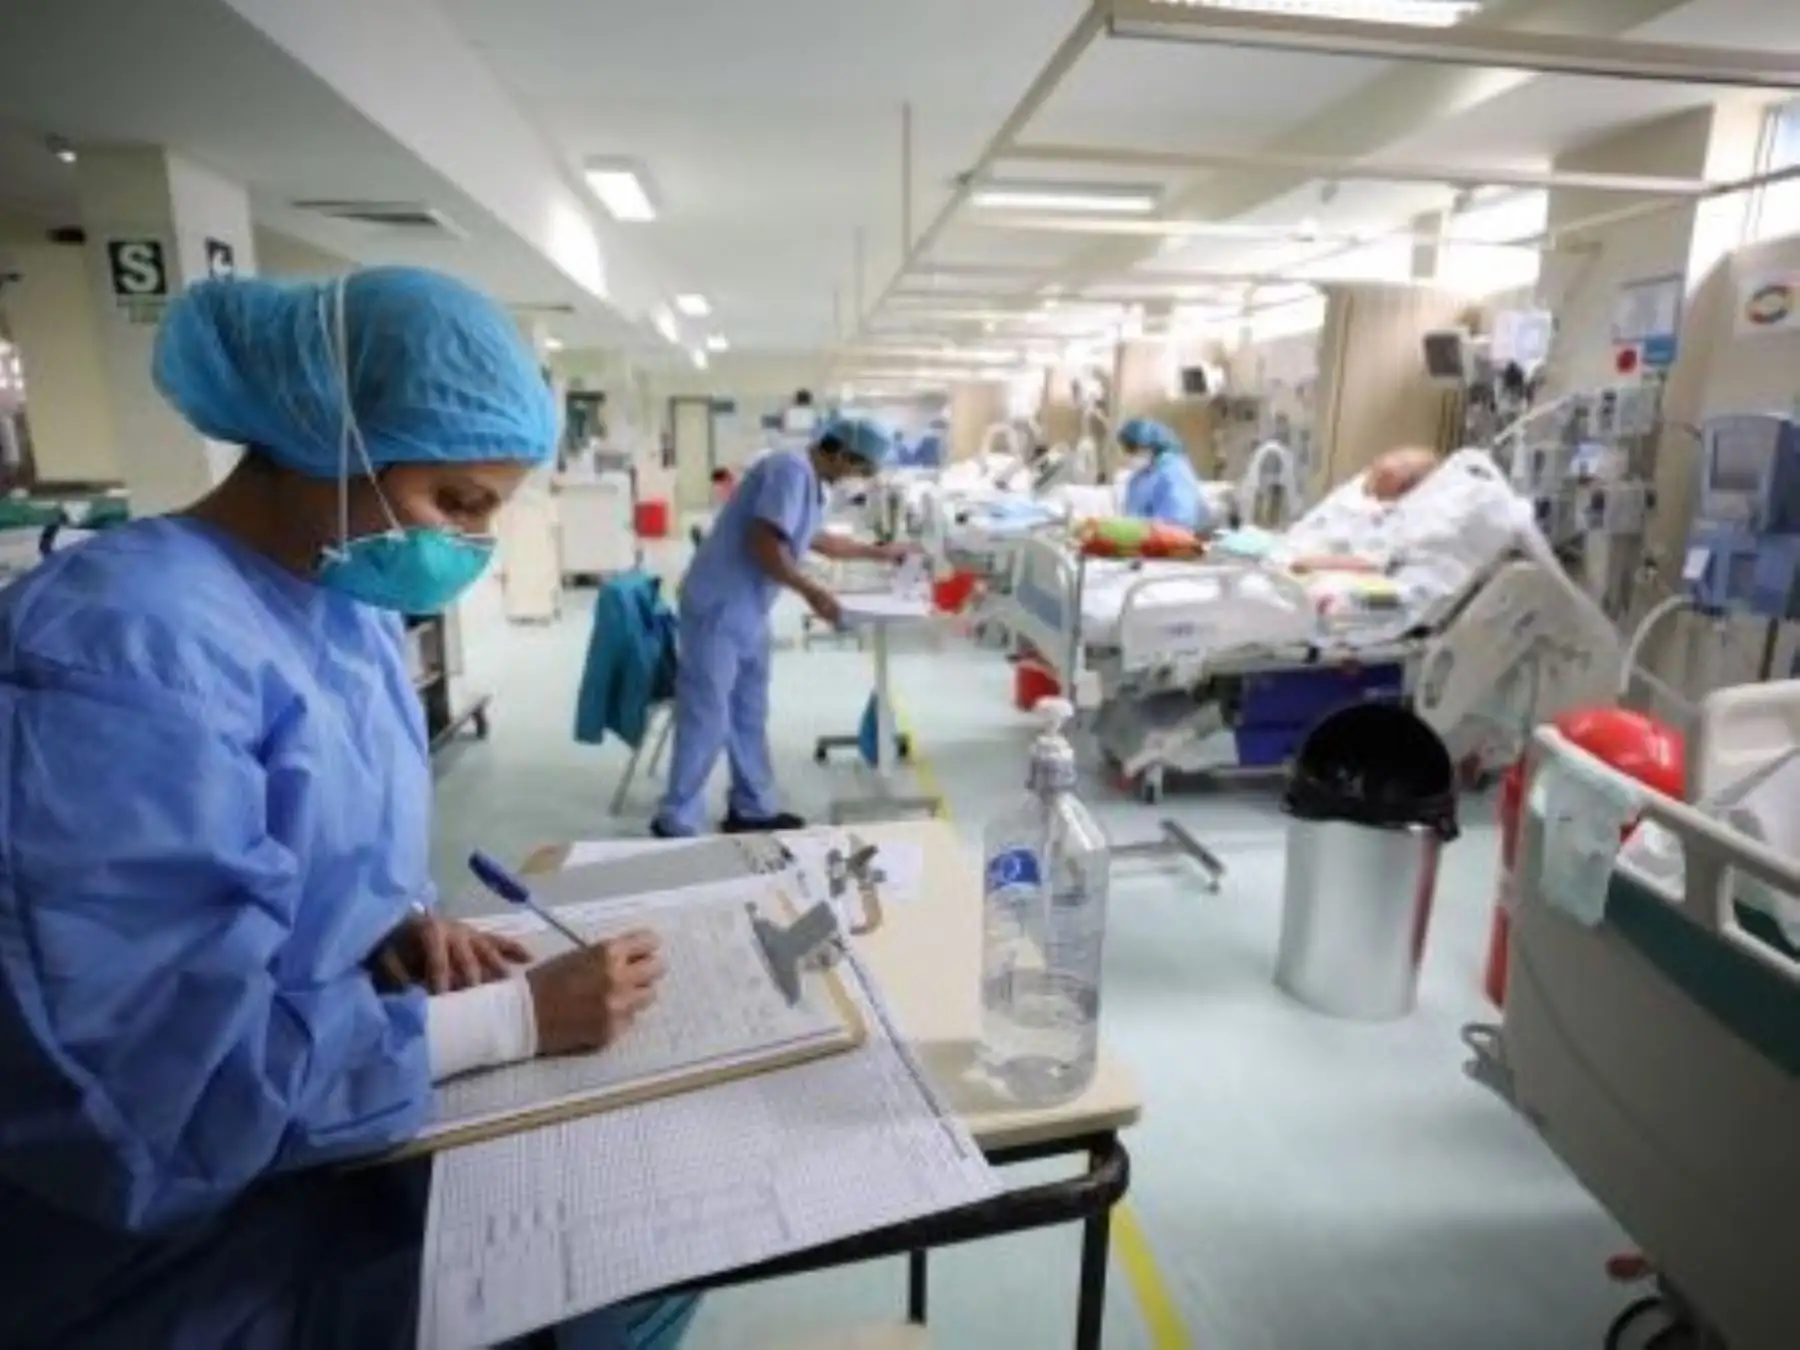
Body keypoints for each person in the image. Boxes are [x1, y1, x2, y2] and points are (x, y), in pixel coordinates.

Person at [0, 267, 690, 1350]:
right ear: (329, 432)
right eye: (454, 502)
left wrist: (390, 929)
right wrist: (513, 1018)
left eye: (491, 512)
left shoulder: (346, 607)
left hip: (326, 1131)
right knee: (607, 1285)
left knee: (652, 1231)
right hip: (178, 1254)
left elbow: (308, 854)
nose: (471, 548)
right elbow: (160, 1092)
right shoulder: (121, 652)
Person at [653, 417, 900, 838]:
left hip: (748, 609)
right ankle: (676, 819)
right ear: (841, 454)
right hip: (719, 605)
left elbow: (817, 539)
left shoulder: (810, 481)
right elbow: (764, 543)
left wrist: (882, 553)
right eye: (859, 468)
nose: (856, 478)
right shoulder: (789, 470)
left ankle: (752, 808)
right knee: (707, 714)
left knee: (748, 711)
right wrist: (812, 592)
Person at [1117, 416, 1209, 531]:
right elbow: (1132, 517)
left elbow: (1177, 522)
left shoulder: (1174, 471)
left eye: (1133, 448)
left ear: (1151, 445)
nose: (1130, 454)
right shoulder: (1138, 479)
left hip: (1173, 539)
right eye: (1126, 449)